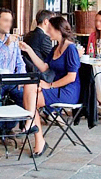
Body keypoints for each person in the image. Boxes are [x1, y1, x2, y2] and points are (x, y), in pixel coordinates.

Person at [19, 17, 81, 157]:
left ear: (58, 30)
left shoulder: (70, 49)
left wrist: (49, 85)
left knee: (31, 99)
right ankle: (37, 136)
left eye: (50, 29)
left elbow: (71, 77)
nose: (48, 32)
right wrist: (28, 50)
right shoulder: (56, 48)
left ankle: (32, 127)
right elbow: (43, 67)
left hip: (68, 90)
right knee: (30, 90)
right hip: (56, 88)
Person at [21, 9, 56, 83]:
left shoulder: (29, 34)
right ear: (46, 22)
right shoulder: (43, 38)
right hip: (40, 75)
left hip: (28, 71)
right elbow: (53, 58)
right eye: (53, 22)